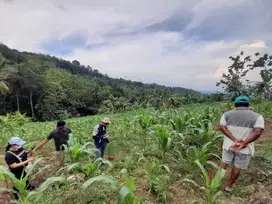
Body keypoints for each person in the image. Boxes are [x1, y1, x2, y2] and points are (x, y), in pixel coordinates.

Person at [219, 96, 264, 191]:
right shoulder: (257, 116)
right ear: (248, 104)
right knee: (237, 166)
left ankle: (216, 183)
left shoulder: (226, 114)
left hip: (229, 145)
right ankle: (229, 187)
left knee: (224, 162)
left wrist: (234, 140)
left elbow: (222, 127)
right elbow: (257, 132)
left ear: (235, 104)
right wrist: (243, 143)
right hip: (245, 148)